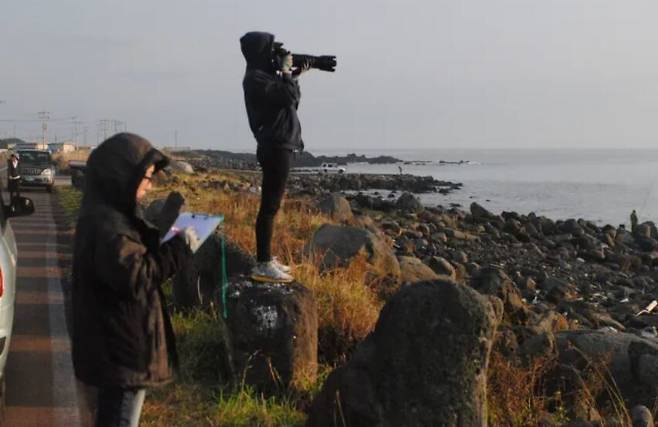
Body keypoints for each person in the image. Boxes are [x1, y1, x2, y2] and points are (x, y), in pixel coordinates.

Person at [71, 133, 198, 427]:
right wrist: (180, 249)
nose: (149, 186)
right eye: (146, 178)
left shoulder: (109, 214)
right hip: (121, 350)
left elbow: (131, 261)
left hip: (117, 346)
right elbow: (137, 276)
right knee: (120, 418)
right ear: (123, 177)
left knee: (115, 415)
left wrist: (159, 238)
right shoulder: (108, 226)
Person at [240, 31, 310, 283]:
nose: (273, 54)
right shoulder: (255, 79)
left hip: (280, 144)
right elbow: (288, 96)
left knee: (272, 205)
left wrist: (292, 75)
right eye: (269, 50)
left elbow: (290, 101)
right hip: (275, 146)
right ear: (260, 52)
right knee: (269, 207)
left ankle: (266, 258)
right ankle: (263, 263)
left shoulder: (263, 76)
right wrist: (287, 75)